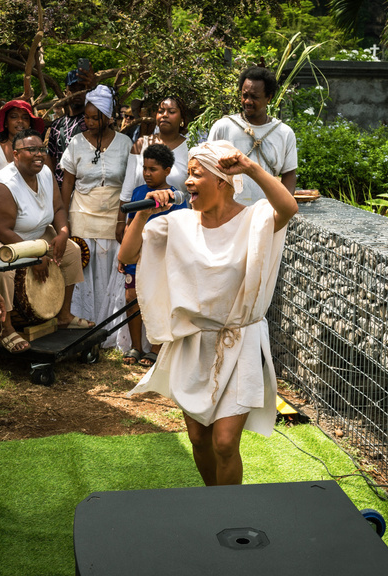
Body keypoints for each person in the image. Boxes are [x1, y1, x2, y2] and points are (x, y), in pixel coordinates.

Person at [118, 140, 297, 486]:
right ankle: (214, 500)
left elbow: (288, 208)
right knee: (199, 439)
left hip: (241, 338)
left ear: (221, 180)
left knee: (225, 442)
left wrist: (250, 166)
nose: (188, 182)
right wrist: (143, 214)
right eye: (189, 174)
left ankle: (229, 511)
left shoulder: (254, 219)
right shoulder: (179, 223)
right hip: (194, 342)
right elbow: (128, 254)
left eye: (197, 175)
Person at [0, 128, 91, 353]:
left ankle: (64, 315)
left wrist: (63, 233)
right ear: (16, 155)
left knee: (72, 250)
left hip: (32, 232)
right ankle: (5, 328)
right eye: (31, 150)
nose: (39, 154)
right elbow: (2, 230)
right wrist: (34, 255)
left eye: (42, 149)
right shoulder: (2, 184)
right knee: (3, 268)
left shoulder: (45, 172)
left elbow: (58, 207)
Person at [60, 85, 131, 347]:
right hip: (81, 214)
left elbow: (129, 183)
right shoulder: (76, 143)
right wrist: (64, 219)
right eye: (86, 117)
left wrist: (124, 220)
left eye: (94, 117)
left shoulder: (125, 144)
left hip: (114, 217)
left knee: (110, 271)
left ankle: (108, 331)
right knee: (84, 271)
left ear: (108, 117)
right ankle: (80, 327)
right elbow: (66, 183)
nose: (87, 122)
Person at [119, 143, 187, 367]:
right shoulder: (139, 193)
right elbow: (130, 226)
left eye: (153, 169)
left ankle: (155, 349)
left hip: (159, 261)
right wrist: (123, 256)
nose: (147, 173)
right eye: (145, 168)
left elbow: (178, 234)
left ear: (167, 170)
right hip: (134, 257)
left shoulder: (176, 199)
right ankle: (136, 346)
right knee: (132, 299)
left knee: (157, 299)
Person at [207, 66, 297, 205]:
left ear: (269, 98)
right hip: (227, 214)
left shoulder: (284, 133)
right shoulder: (223, 126)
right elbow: (207, 167)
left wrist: (282, 207)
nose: (247, 101)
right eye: (245, 95)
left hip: (266, 214)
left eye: (254, 97)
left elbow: (289, 174)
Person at [0, 99, 44, 191]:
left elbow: (48, 182)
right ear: (6, 123)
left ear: (30, 124)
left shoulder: (40, 150)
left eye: (25, 118)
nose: (20, 121)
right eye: (14, 117)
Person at [46, 67, 94, 187]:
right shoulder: (57, 125)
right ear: (65, 92)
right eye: (72, 89)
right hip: (61, 190)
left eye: (82, 89)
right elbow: (51, 160)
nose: (77, 93)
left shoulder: (94, 123)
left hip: (88, 188)